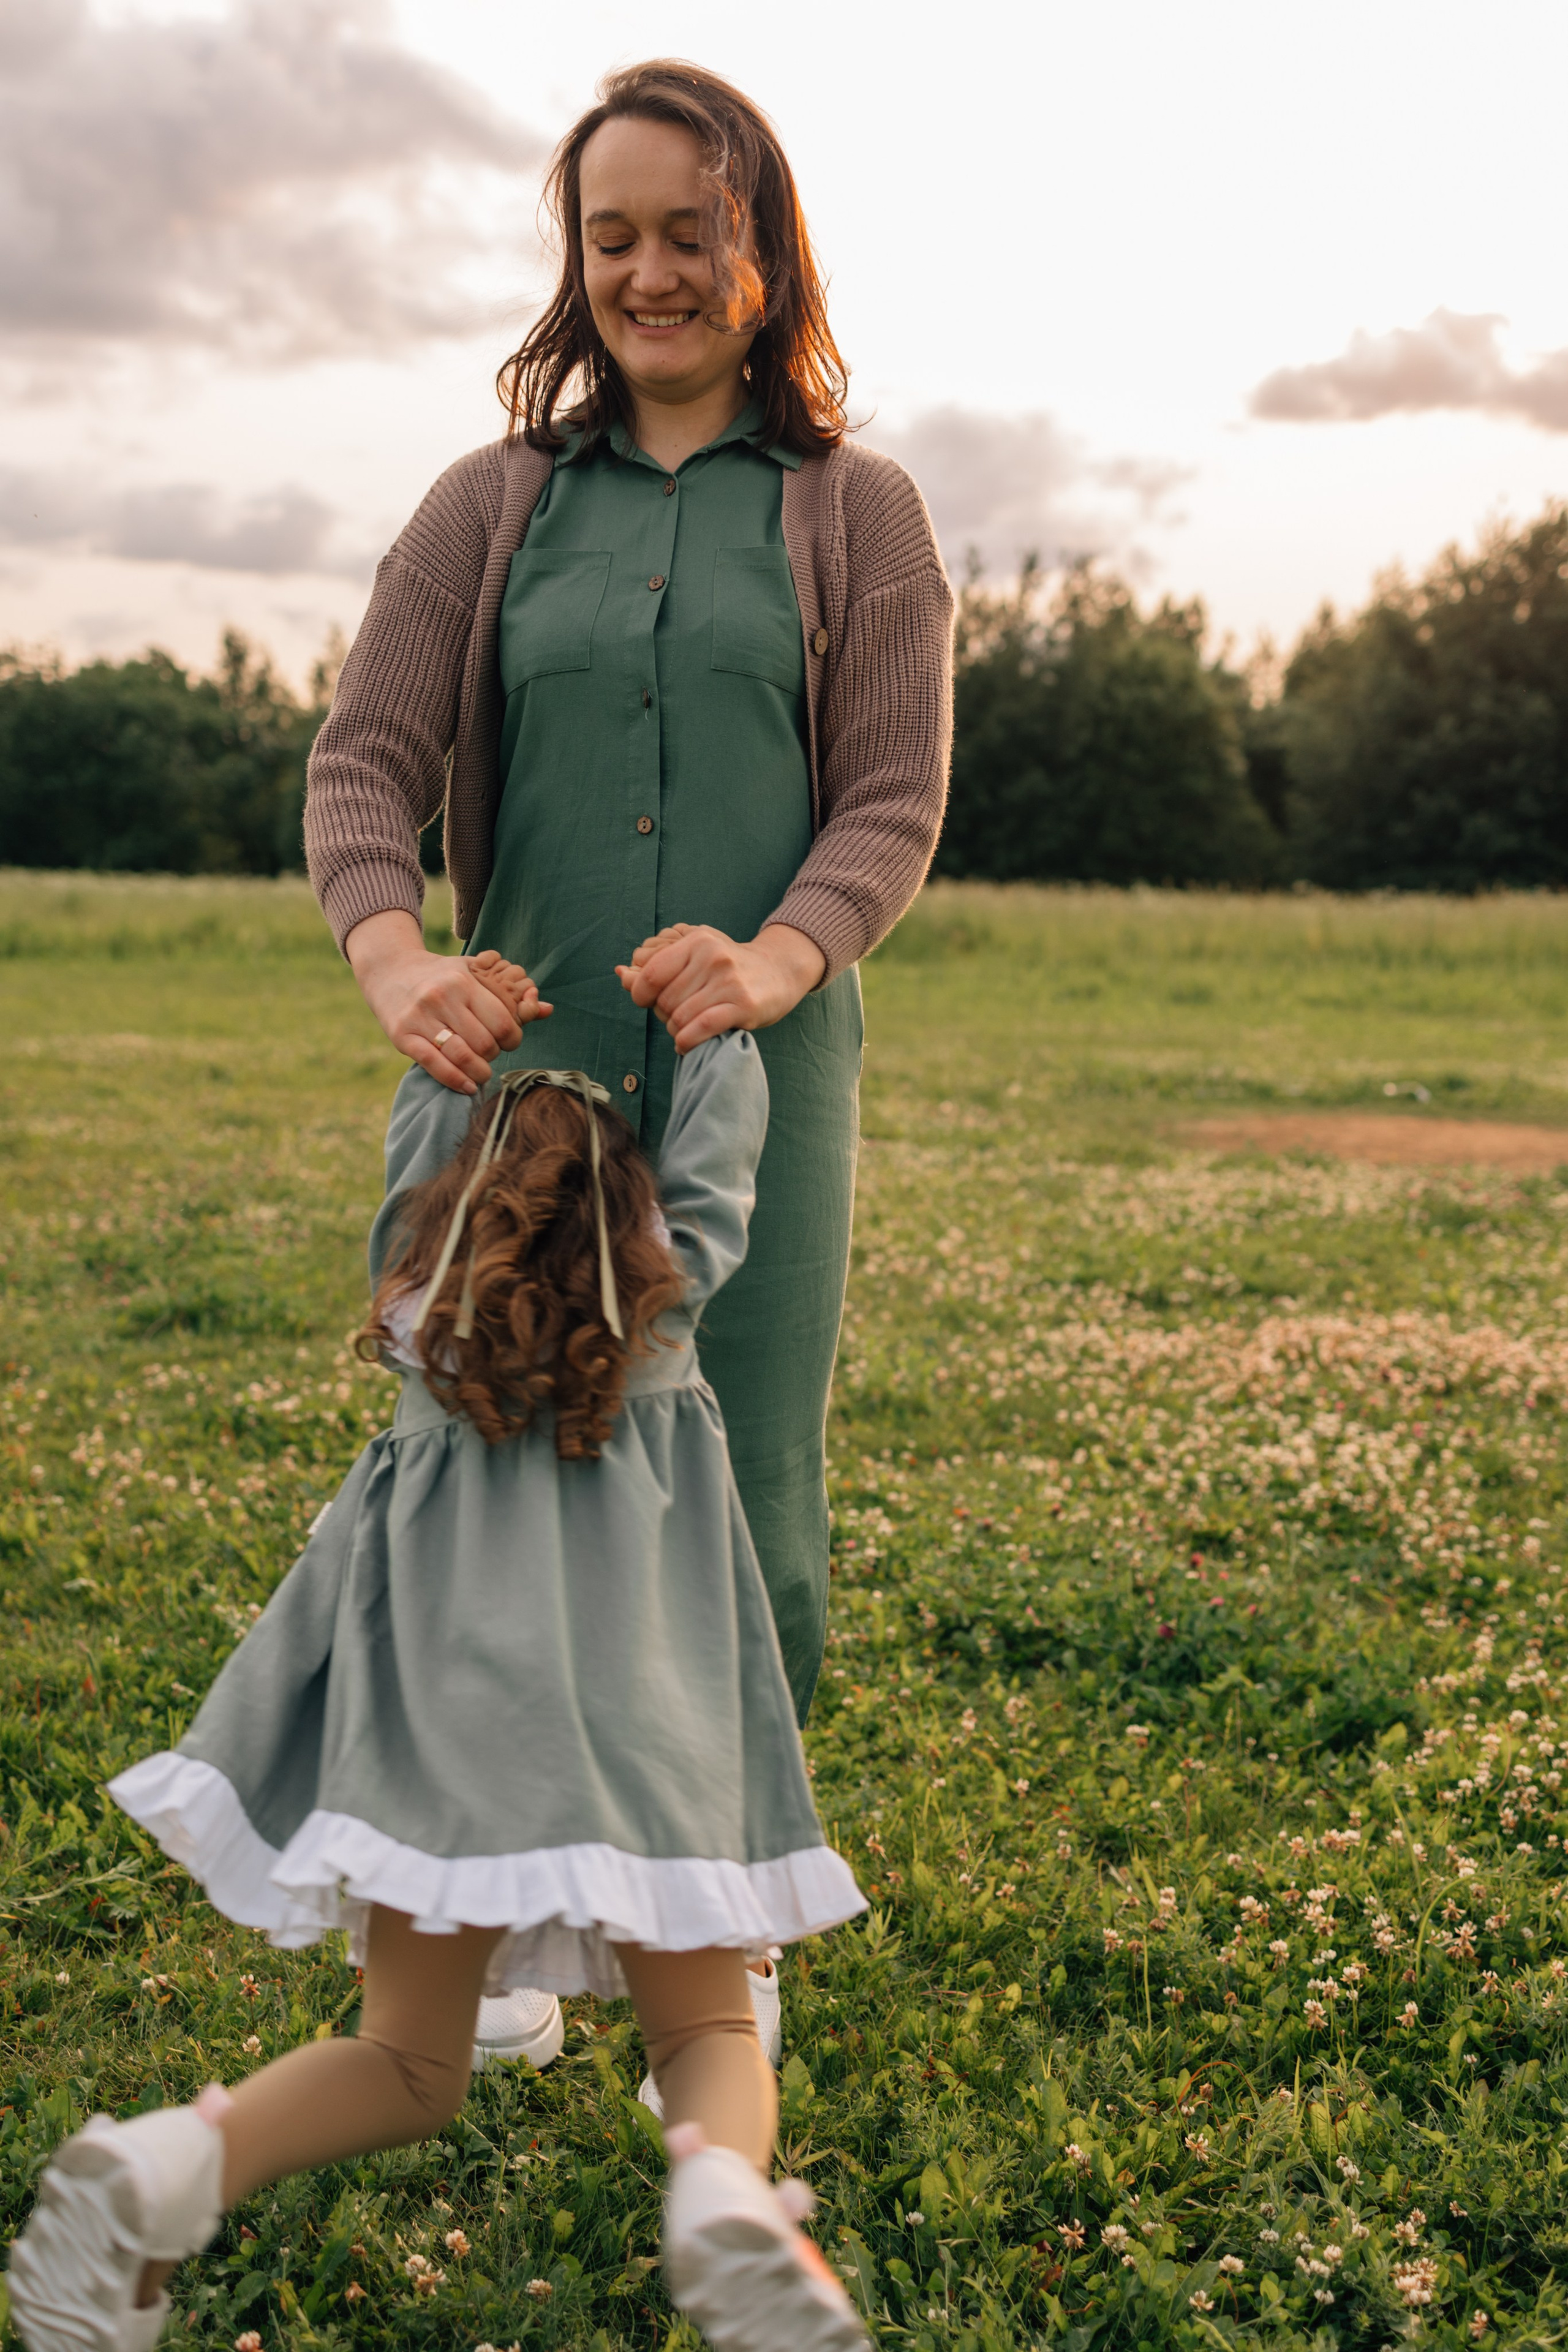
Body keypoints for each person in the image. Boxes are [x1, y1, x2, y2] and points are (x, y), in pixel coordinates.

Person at [301, 58, 953, 2078]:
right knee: (489, 1477)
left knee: (743, 1490)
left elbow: (892, 800)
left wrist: (775, 957)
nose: (652, 270)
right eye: (614, 236)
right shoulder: (490, 508)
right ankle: (492, 1915)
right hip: (527, 1070)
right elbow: (366, 763)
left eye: (692, 229)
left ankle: (721, 1932)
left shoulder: (858, 513)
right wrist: (394, 947)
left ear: (763, 248)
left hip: (759, 1065)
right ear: (575, 265)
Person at [9, 1023, 869, 2352]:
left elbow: (423, 1121)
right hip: (643, 1739)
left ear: (442, 1206)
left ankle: (165, 2167)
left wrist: (449, 1040)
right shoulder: (667, 1304)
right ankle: (721, 2200)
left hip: (441, 1748)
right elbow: (721, 1159)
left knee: (409, 2063)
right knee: (702, 2028)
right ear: (644, 1214)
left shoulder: (419, 1326)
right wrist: (720, 1032)